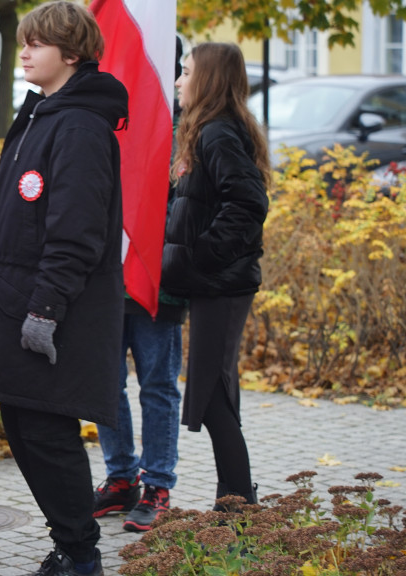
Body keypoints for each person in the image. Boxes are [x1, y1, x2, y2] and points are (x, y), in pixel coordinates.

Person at [0, 2, 127, 575]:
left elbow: (77, 231)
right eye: (23, 42)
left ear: (71, 55)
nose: (23, 52)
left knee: (47, 433)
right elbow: (35, 201)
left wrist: (46, 311)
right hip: (14, 302)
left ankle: (81, 555)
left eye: (37, 44)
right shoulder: (43, 113)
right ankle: (69, 544)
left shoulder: (79, 127)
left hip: (46, 311)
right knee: (26, 429)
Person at [162, 42, 270, 510]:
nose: (179, 81)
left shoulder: (218, 134)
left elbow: (248, 204)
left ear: (206, 79)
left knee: (208, 395)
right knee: (216, 391)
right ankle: (236, 501)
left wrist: (203, 256)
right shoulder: (209, 130)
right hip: (214, 283)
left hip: (222, 283)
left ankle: (238, 505)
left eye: (186, 72)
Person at [92, 38, 187, 533]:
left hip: (155, 282)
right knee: (107, 384)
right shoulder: (100, 114)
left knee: (156, 386)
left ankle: (158, 483)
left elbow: (190, 210)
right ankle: (121, 477)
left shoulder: (181, 128)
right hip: (105, 279)